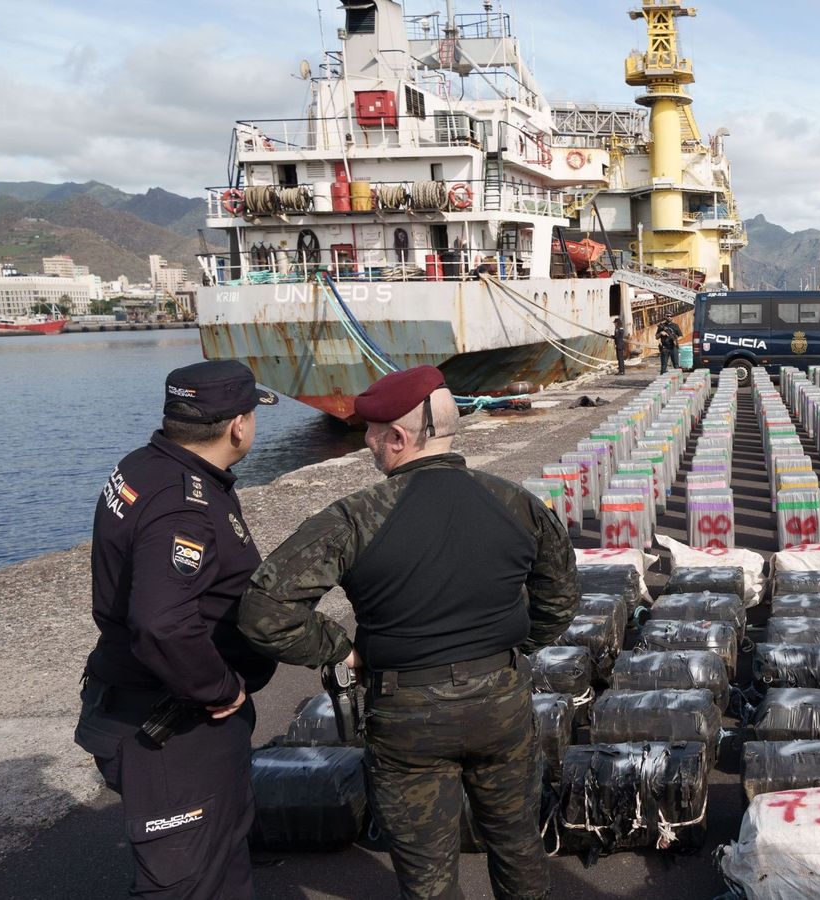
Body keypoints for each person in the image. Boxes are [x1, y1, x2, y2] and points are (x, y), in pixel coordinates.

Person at [238, 366, 577, 900]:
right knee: (517, 843)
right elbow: (559, 602)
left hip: (406, 712)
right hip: (502, 703)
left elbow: (264, 610)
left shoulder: (355, 518)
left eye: (372, 432)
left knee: (426, 871)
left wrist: (343, 650)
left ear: (397, 437)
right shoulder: (519, 505)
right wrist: (510, 651)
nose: (368, 442)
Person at [74, 360, 279, 899]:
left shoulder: (144, 465)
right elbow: (162, 623)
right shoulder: (182, 506)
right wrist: (222, 688)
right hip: (175, 727)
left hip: (142, 701)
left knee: (219, 861)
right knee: (187, 882)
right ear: (238, 425)